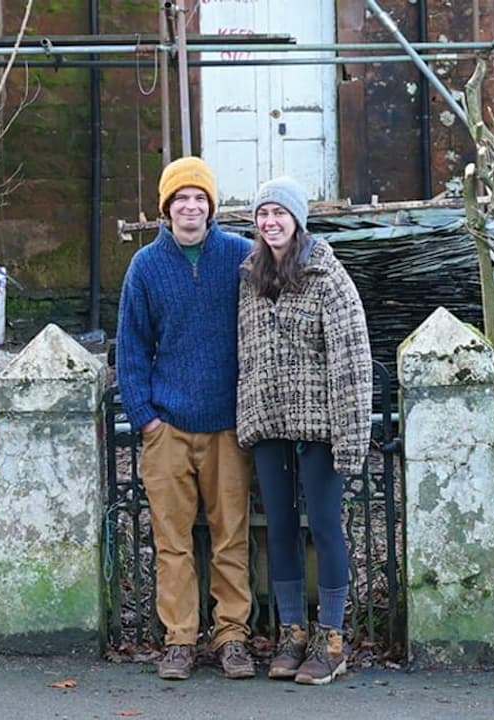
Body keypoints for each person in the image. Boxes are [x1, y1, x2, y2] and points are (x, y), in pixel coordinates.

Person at [116, 156, 256, 681]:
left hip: (227, 426)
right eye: (181, 199)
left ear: (211, 207)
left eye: (199, 198)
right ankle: (179, 640)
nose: (190, 207)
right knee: (172, 543)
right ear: (166, 208)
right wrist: (145, 418)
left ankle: (232, 637)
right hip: (168, 428)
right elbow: (131, 346)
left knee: (230, 538)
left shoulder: (240, 257)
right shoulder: (146, 267)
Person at [236, 177, 373, 686]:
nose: (271, 222)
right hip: (269, 421)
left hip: (319, 425)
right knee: (279, 526)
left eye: (280, 213)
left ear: (297, 219)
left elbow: (352, 358)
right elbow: (246, 351)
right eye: (263, 214)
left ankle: (331, 639)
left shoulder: (327, 275)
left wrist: (350, 436)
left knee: (324, 524)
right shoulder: (250, 276)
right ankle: (292, 632)